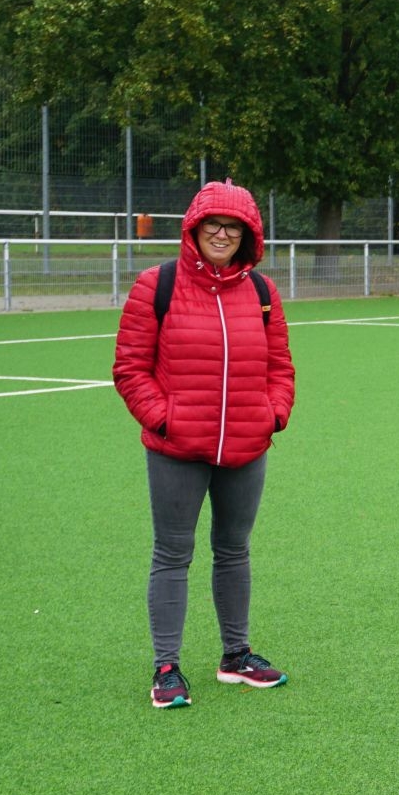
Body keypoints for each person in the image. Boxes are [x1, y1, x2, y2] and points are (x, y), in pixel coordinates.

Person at [113, 180, 295, 708]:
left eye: (233, 227)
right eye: (213, 224)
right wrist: (164, 420)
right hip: (176, 449)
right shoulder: (157, 284)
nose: (222, 234)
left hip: (246, 445)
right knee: (172, 553)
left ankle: (236, 655)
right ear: (193, 229)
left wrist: (272, 415)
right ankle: (167, 667)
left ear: (248, 235)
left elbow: (280, 366)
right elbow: (130, 368)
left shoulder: (262, 292)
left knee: (234, 550)